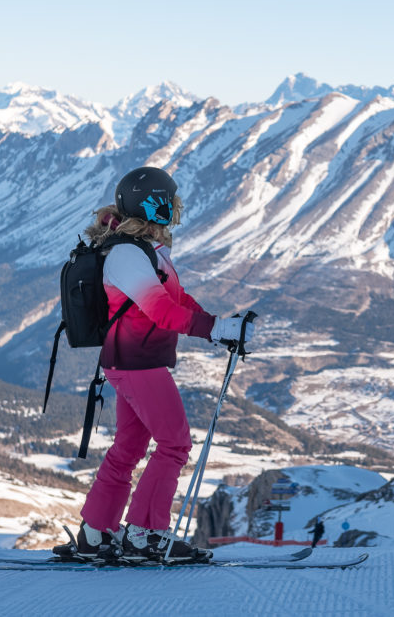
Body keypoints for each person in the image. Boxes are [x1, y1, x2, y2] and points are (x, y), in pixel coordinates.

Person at [53, 166, 254, 563]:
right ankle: (145, 535)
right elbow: (161, 311)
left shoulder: (144, 251)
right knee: (175, 443)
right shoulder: (127, 254)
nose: (175, 212)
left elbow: (178, 301)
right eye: (170, 204)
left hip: (132, 360)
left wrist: (221, 326)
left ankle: (96, 533)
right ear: (154, 206)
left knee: (129, 446)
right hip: (137, 363)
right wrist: (214, 330)